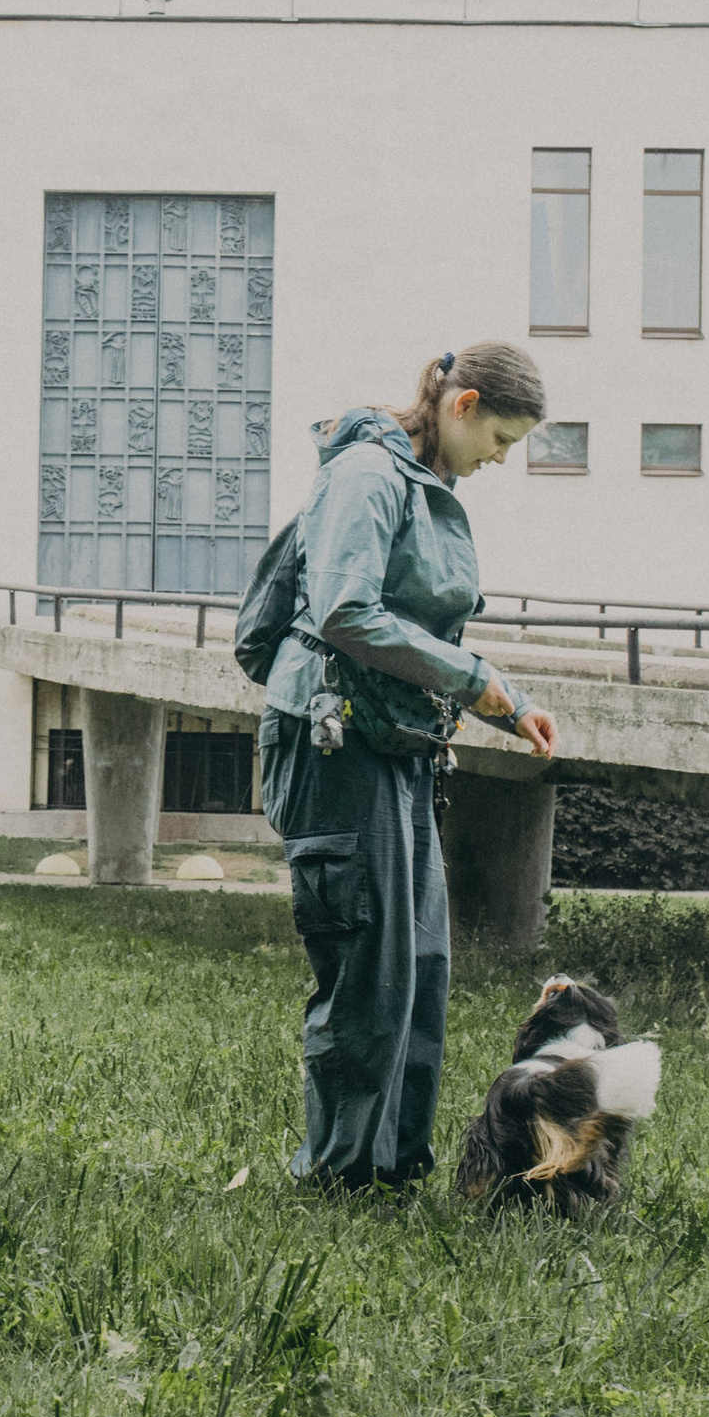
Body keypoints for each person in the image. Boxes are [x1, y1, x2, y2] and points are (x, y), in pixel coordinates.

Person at [259, 342, 560, 1192]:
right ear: (462, 406)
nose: (501, 460)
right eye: (501, 439)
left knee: (422, 964)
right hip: (333, 738)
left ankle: (390, 1167)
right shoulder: (369, 473)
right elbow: (348, 612)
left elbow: (417, 629)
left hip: (389, 738)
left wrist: (500, 694)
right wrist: (477, 684)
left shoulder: (426, 484)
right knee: (369, 969)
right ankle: (341, 1174)